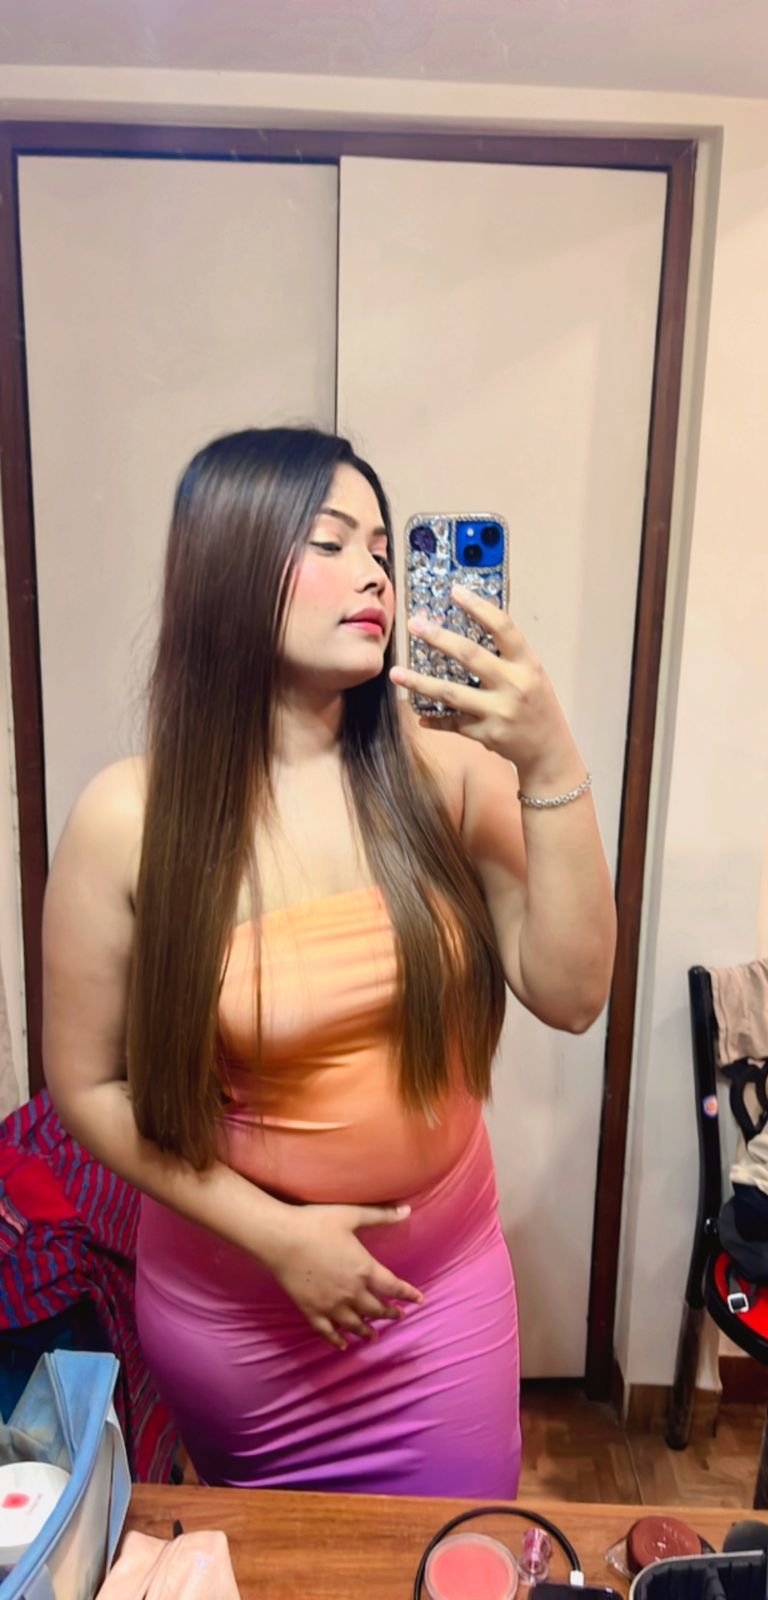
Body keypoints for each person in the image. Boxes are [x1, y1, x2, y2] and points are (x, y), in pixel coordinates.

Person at [43, 427, 616, 1496]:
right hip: (241, 1319)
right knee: (286, 1565)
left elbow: (575, 994)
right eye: (332, 541)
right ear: (231, 564)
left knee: (456, 1552)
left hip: (439, 1296)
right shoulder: (128, 818)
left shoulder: (447, 773)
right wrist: (277, 1237)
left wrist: (548, 754)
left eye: (386, 551)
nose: (377, 575)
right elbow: (86, 1087)